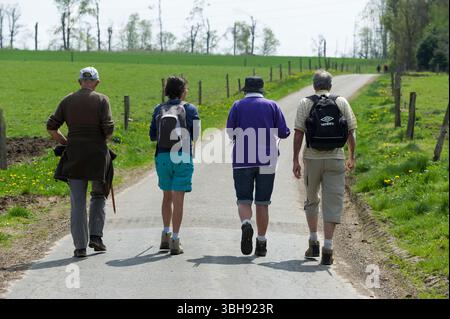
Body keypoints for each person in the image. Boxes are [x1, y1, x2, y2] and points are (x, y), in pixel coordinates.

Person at [47, 67, 115, 258]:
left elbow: (51, 127)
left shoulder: (67, 100)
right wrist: (101, 138)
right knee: (99, 195)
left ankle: (80, 247)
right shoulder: (102, 100)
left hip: (74, 156)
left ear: (79, 82)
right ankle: (96, 237)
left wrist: (66, 142)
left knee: (77, 202)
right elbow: (108, 129)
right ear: (96, 82)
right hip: (97, 156)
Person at [293, 70, 357, 265]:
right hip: (336, 158)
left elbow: (298, 133)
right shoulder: (341, 102)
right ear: (330, 85)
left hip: (312, 158)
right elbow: (351, 132)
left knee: (312, 200)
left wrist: (295, 159)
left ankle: (313, 242)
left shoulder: (306, 103)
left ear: (314, 85)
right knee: (333, 202)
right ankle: (328, 248)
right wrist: (352, 156)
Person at [227, 76, 290, 257]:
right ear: (262, 90)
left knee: (244, 199)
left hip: (242, 159)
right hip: (267, 160)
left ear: (245, 90)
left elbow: (230, 132)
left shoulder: (237, 106)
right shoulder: (272, 105)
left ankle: (246, 223)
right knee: (263, 203)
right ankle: (261, 243)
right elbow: (283, 132)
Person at [150, 76, 200, 256]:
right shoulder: (190, 108)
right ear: (181, 91)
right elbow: (195, 135)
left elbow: (153, 136)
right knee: (179, 198)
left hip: (162, 155)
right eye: (186, 88)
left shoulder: (158, 108)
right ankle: (175, 240)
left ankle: (165, 234)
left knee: (166, 196)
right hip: (182, 155)